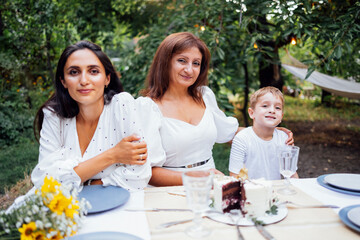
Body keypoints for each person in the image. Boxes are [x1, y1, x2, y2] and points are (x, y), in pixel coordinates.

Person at [138, 32, 293, 186]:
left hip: (211, 185)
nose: (189, 70)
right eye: (182, 61)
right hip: (171, 189)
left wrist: (271, 132)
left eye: (196, 63)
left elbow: (229, 132)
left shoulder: (204, 96)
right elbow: (149, 173)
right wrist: (198, 177)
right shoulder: (147, 107)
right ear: (165, 62)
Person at [32, 40, 165, 192]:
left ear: (107, 78)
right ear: (63, 81)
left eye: (93, 71)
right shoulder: (54, 116)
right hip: (64, 209)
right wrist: (113, 155)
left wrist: (84, 183)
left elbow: (138, 176)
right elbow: (43, 182)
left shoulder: (122, 106)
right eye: (74, 72)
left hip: (119, 206)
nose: (84, 81)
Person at [229, 86, 299, 180]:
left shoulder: (284, 138)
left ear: (281, 116)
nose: (272, 110)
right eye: (265, 106)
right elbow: (235, 177)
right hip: (250, 191)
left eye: (277, 107)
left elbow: (292, 174)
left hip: (275, 191)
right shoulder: (241, 139)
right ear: (251, 113)